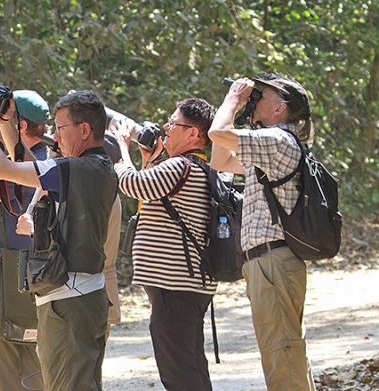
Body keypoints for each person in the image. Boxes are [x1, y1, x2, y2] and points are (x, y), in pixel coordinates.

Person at [0, 90, 115, 391]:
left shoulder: (73, 169)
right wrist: (6, 122)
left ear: (84, 130)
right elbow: (21, 159)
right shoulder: (96, 167)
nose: (56, 138)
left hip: (69, 301)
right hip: (83, 295)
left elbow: (2, 169)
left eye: (61, 129)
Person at [208, 73, 316, 391]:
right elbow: (220, 161)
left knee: (282, 355)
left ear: (280, 108)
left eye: (261, 96)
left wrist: (235, 99)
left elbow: (218, 132)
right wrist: (242, 105)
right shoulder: (269, 146)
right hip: (266, 263)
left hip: (273, 261)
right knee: (284, 353)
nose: (255, 100)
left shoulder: (279, 141)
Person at [114, 98, 217, 391]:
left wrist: (122, 147)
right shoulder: (190, 167)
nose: (166, 128)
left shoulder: (181, 167)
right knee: (189, 364)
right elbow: (150, 191)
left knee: (179, 372)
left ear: (194, 134)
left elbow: (133, 184)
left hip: (177, 286)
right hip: (183, 285)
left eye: (174, 124)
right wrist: (149, 158)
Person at [0, 90, 48, 391]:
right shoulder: (45, 161)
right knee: (30, 362)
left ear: (18, 127)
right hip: (22, 272)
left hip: (5, 275)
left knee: (8, 366)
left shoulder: (17, 170)